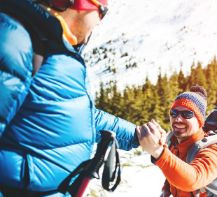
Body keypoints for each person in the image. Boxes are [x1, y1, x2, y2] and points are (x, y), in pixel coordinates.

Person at [0, 0, 139, 195]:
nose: (100, 21)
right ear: (81, 4)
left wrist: (136, 134)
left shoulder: (55, 48)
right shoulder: (16, 39)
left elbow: (83, 116)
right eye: (102, 11)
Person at [137, 85, 217, 197]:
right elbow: (174, 171)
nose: (178, 119)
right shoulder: (174, 143)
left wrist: (159, 152)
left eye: (187, 114)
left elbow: (193, 179)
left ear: (200, 120)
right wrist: (166, 190)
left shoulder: (212, 151)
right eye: (174, 113)